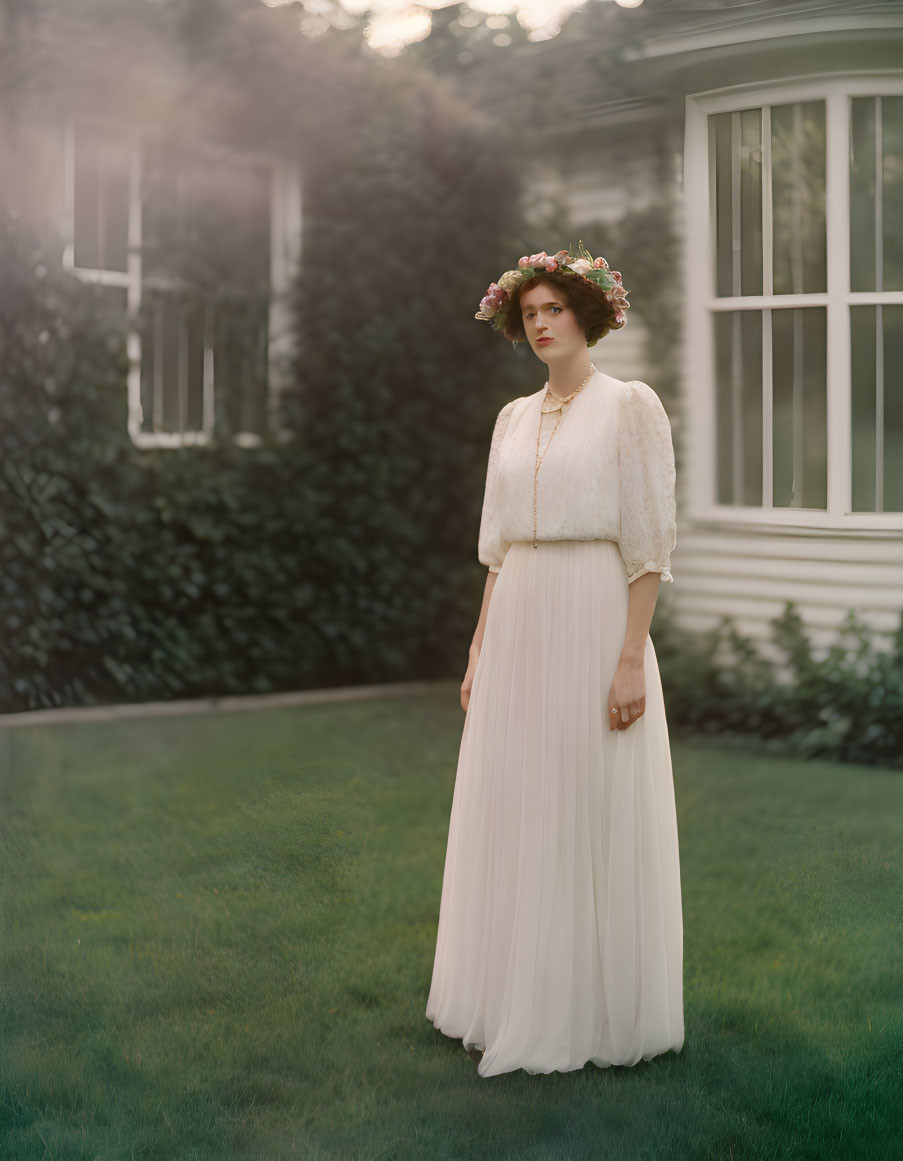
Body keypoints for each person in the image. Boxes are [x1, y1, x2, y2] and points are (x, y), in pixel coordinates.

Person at [425, 246, 684, 1079]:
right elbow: (497, 551)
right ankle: (507, 997)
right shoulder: (510, 418)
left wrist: (628, 659)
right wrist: (477, 645)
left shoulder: (630, 407)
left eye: (553, 310)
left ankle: (587, 1008)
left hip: (591, 611)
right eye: (528, 314)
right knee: (516, 801)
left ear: (587, 314)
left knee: (581, 799)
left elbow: (647, 547)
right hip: (519, 617)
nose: (540, 325)